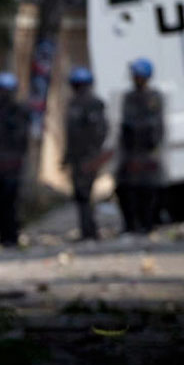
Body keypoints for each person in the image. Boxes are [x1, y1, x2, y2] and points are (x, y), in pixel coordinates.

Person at [116, 58, 165, 234]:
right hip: (131, 151)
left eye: (138, 76)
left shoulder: (154, 97)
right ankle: (132, 224)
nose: (135, 79)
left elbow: (156, 125)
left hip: (148, 151)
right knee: (126, 189)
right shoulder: (129, 97)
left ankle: (149, 222)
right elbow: (125, 124)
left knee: (149, 189)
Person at [0, 71, 30, 247]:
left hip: (12, 165)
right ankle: (2, 235)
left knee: (11, 202)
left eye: (6, 91)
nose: (3, 95)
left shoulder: (19, 112)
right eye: (0, 90)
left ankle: (12, 236)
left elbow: (22, 139)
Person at [63, 67, 108, 240]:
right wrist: (67, 156)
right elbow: (70, 135)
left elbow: (100, 132)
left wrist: (94, 155)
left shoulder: (94, 104)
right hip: (77, 157)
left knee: (84, 193)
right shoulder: (73, 104)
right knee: (81, 195)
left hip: (89, 157)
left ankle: (90, 231)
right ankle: (87, 230)